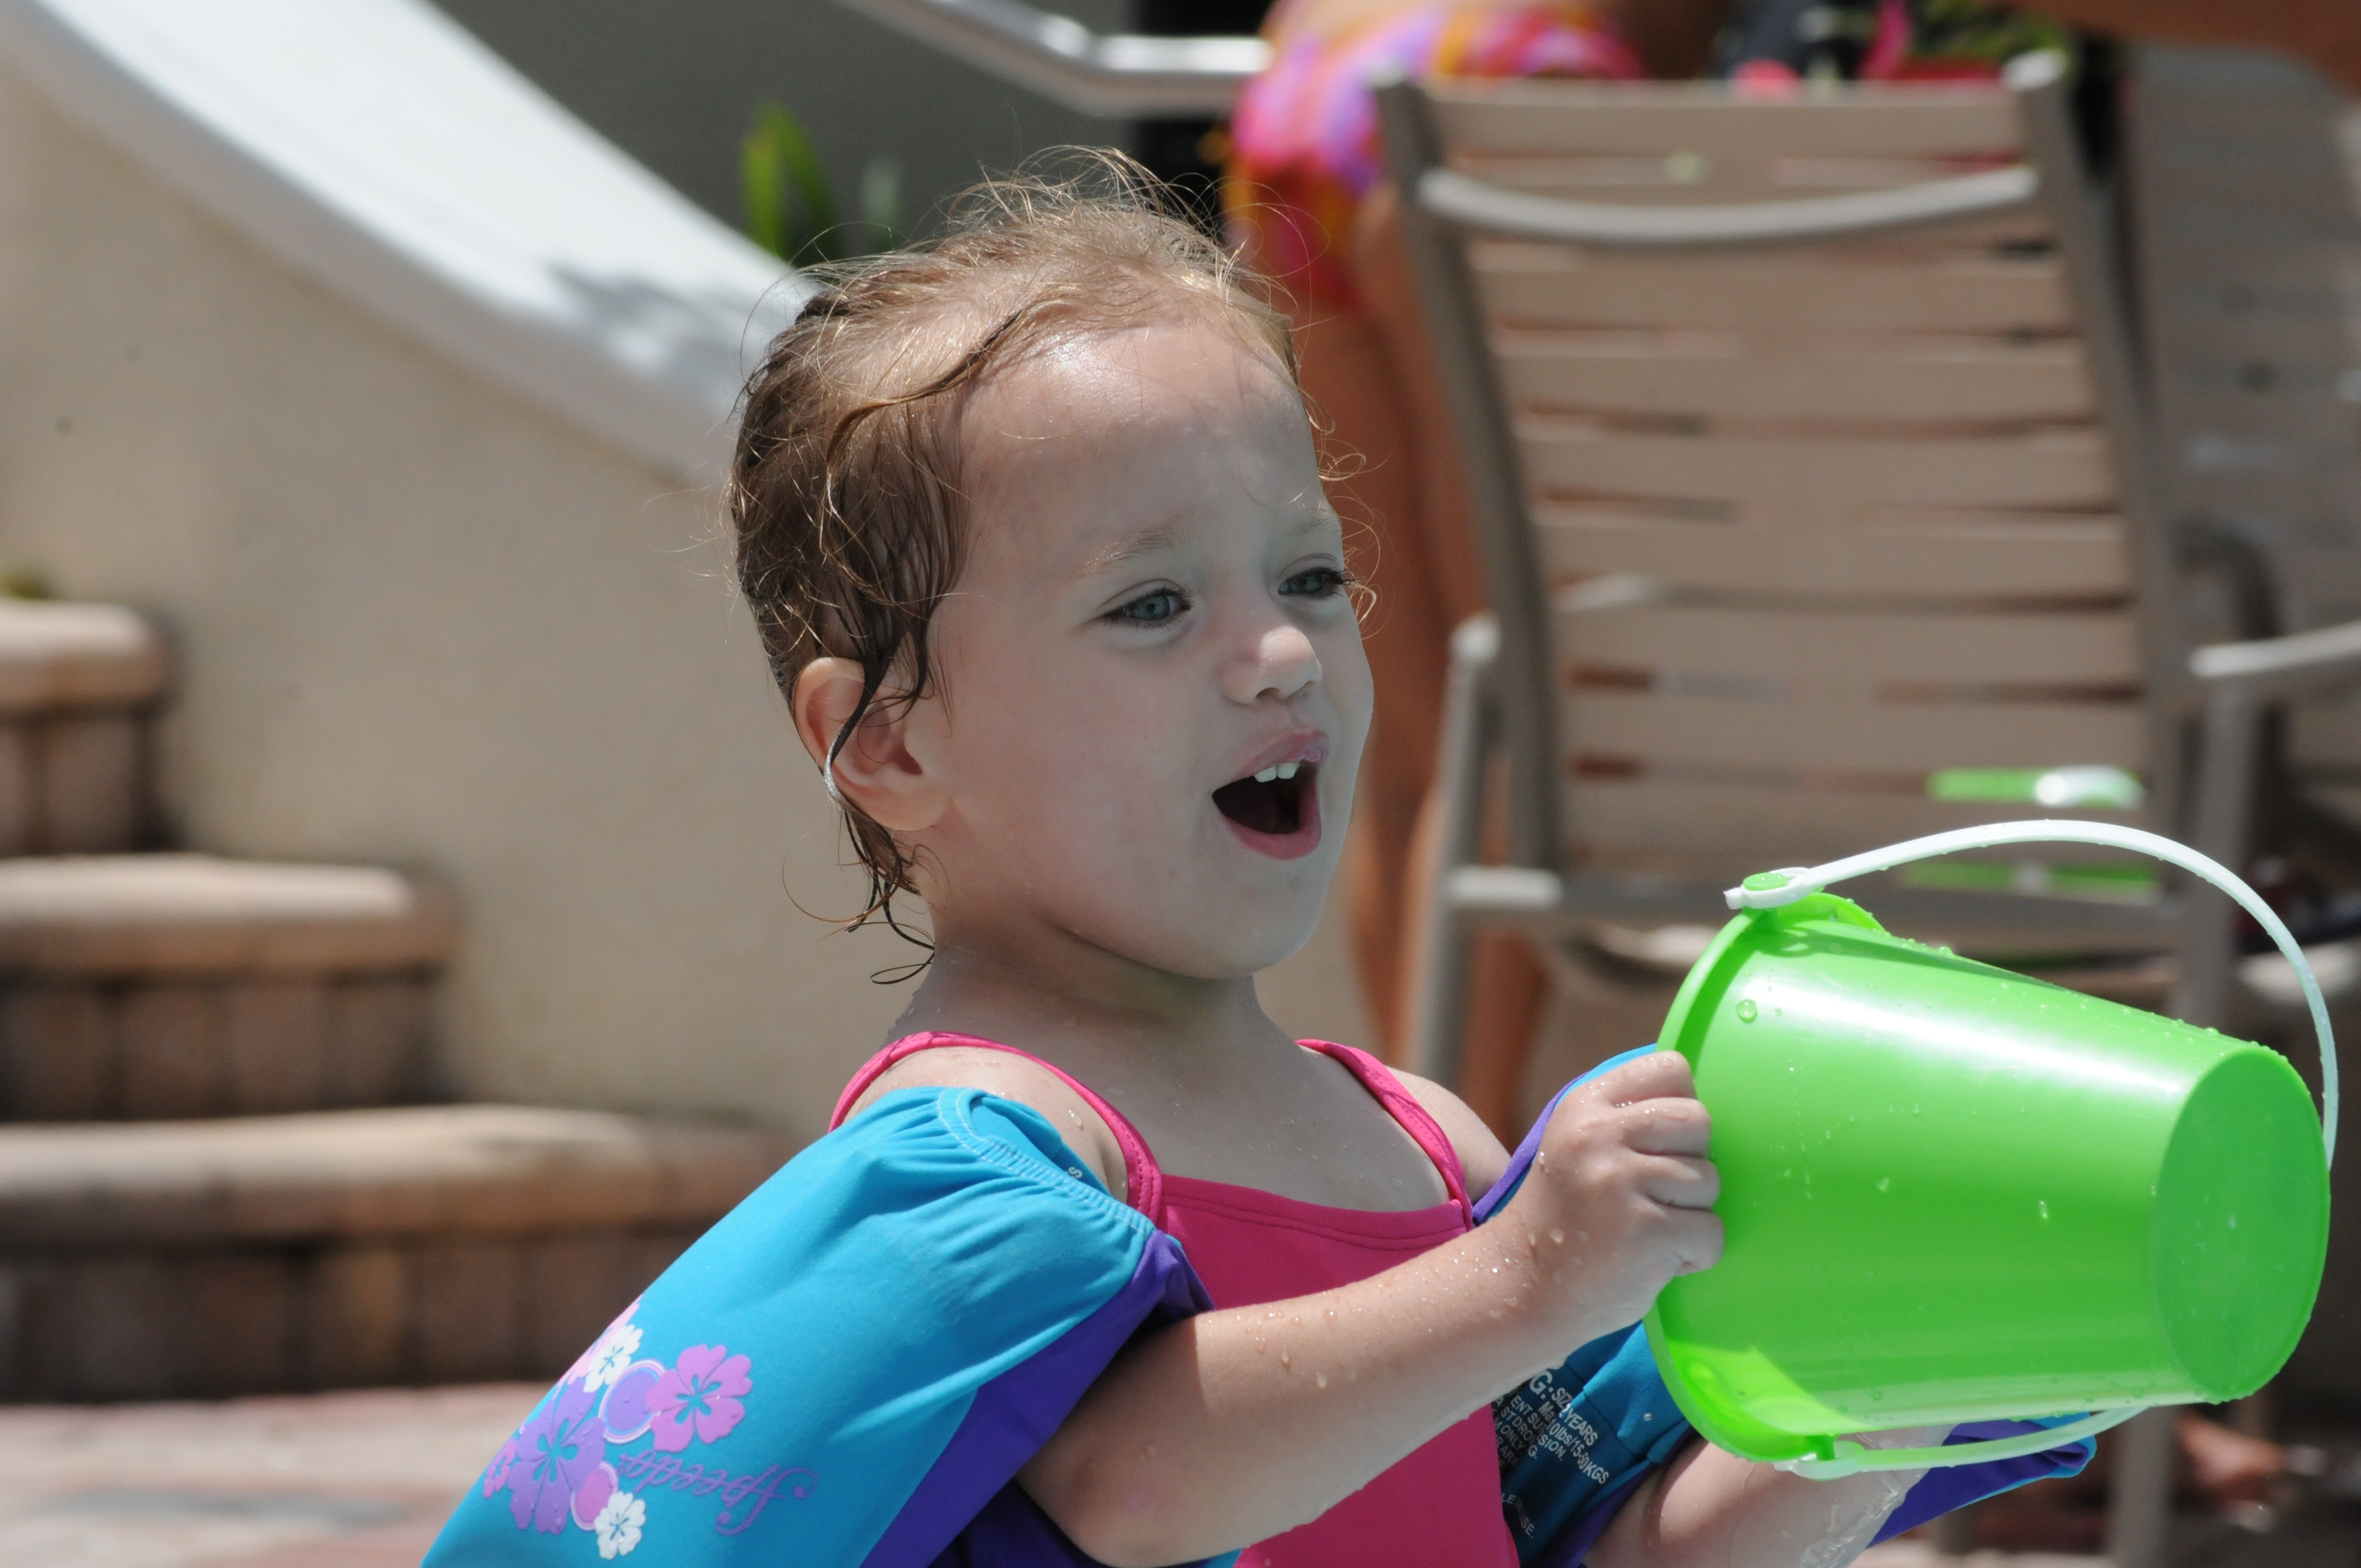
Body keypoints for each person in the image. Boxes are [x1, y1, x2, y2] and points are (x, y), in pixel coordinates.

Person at [424, 159, 2086, 1567]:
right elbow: (1138, 1486)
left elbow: (1604, 1543)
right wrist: (1525, 1275)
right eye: (1153, 603)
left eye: (1305, 575)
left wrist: (1886, 1390)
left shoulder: (1414, 1139)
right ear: (892, 744)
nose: (1281, 651)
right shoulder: (996, 1142)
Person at [1223, 0, 2361, 1137]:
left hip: (1334, 60)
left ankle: (1405, 1163)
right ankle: (1463, 1178)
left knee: (1424, 742)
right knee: (1535, 711)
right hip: (1509, 86)